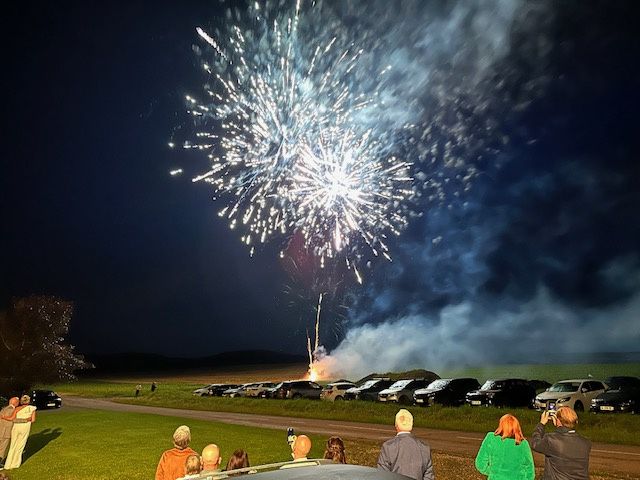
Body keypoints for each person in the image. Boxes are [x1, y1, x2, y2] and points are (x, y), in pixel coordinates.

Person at [531, 407, 591, 480]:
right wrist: (558, 426)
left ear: (558, 420)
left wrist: (541, 424)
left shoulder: (551, 440)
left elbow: (535, 444)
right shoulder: (586, 442)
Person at [377, 409, 434, 480]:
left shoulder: (388, 447)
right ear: (411, 424)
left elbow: (382, 476)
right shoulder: (424, 448)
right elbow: (428, 477)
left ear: (396, 425)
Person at [474, 413, 535, 480]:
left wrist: (493, 472)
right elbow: (530, 469)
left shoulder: (491, 438)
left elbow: (480, 464)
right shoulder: (523, 444)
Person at [3, 395, 37, 469]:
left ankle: (8, 465)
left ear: (21, 401)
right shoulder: (32, 409)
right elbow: (33, 420)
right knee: (20, 445)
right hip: (25, 427)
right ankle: (15, 464)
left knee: (13, 445)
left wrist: (4, 417)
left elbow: (12, 418)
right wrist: (27, 419)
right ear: (29, 401)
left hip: (16, 427)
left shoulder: (17, 409)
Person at [0, 398, 19, 467]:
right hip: (5, 432)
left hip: (1, 430)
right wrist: (26, 420)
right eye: (18, 402)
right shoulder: (11, 410)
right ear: (15, 403)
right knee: (2, 448)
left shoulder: (4, 409)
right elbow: (13, 419)